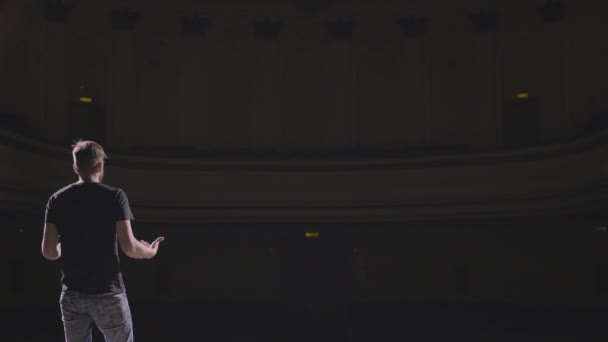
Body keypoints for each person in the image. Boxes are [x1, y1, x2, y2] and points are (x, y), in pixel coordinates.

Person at [41, 140, 164, 342]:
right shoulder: (115, 196)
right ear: (100, 166)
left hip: (72, 294)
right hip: (108, 293)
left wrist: (65, 245)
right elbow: (130, 247)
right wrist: (151, 251)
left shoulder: (57, 199)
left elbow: (48, 252)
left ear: (75, 167)